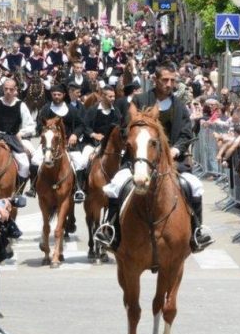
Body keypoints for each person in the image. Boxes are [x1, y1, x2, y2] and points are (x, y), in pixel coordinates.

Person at [96, 62, 214, 253]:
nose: (169, 84)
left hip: (172, 160)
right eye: (165, 80)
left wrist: (176, 149)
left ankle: (196, 231)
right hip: (138, 158)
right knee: (117, 184)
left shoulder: (179, 106)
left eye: (172, 81)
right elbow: (125, 128)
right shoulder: (139, 100)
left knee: (193, 185)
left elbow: (186, 133)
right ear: (155, 80)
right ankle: (110, 229)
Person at [0, 78, 36, 196]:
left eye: (11, 89)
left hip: (14, 137)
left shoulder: (21, 105)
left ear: (15, 90)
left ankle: (18, 191)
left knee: (25, 164)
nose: (8, 91)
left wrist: (22, 133)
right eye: (6, 89)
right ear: (3, 89)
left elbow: (30, 125)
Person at [33, 84, 87, 202]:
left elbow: (81, 125)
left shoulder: (71, 109)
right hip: (48, 143)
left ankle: (78, 188)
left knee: (81, 162)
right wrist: (44, 131)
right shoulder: (46, 109)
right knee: (34, 160)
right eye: (54, 94)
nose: (56, 97)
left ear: (63, 95)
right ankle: (33, 187)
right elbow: (38, 126)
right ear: (51, 95)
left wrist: (75, 135)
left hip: (69, 144)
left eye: (59, 94)